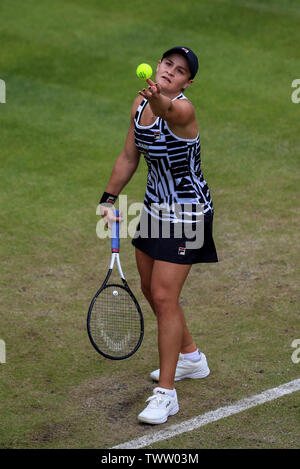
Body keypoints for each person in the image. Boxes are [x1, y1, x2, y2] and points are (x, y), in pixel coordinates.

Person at [99, 46, 218, 425]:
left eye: (179, 70)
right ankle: (190, 358)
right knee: (151, 291)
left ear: (187, 82)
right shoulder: (139, 104)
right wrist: (108, 197)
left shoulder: (182, 110)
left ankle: (166, 394)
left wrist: (160, 100)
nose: (169, 72)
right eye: (167, 64)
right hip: (153, 209)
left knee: (166, 297)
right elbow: (130, 155)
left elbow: (168, 111)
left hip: (188, 215)